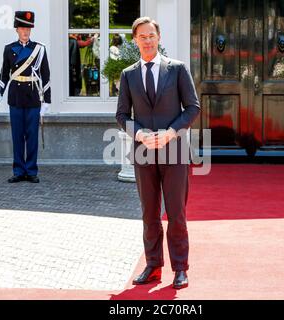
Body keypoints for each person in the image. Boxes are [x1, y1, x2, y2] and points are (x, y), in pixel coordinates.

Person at [116, 17, 200, 289]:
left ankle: (180, 268)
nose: (148, 40)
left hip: (174, 151)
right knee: (149, 213)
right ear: (135, 40)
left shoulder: (177, 69)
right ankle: (153, 265)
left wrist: (170, 132)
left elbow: (192, 107)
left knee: (176, 213)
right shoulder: (128, 74)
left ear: (159, 37)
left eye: (151, 35)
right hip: (143, 154)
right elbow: (121, 115)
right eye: (142, 36)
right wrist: (139, 133)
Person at [0, 11, 51, 184]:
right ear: (16, 29)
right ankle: (18, 170)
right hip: (16, 97)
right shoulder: (9, 49)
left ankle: (31, 170)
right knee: (17, 135)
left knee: (32, 136)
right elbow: (4, 74)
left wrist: (46, 100)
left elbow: (46, 76)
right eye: (22, 28)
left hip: (33, 96)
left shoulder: (39, 49)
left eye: (28, 28)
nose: (25, 31)